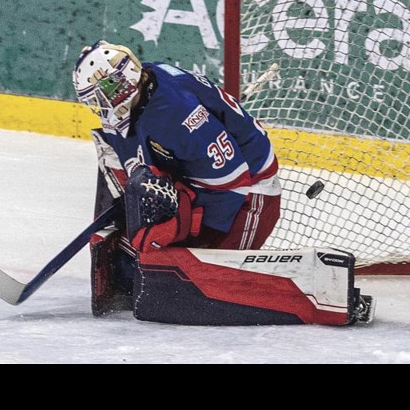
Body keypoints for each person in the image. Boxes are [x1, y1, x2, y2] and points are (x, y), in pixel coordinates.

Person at [72, 41, 373, 325]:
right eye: (93, 99)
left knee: (206, 280)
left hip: (249, 195)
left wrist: (181, 218)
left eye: (103, 94)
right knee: (145, 254)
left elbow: (233, 180)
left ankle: (323, 296)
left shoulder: (175, 114)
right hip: (204, 178)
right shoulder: (148, 84)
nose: (100, 105)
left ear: (124, 82)